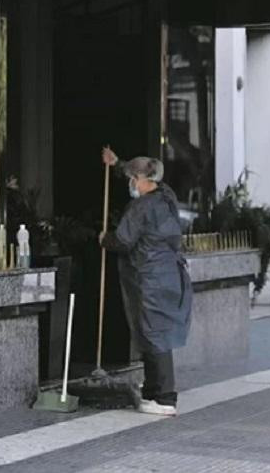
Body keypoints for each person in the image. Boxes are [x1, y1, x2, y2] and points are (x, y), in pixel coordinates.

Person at [100, 147, 193, 417]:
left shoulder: (141, 207)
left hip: (150, 277)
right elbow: (140, 171)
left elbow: (123, 240)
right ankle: (152, 391)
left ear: (141, 181)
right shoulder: (167, 196)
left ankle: (165, 397)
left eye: (132, 179)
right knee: (155, 333)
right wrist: (118, 163)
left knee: (155, 335)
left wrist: (104, 239)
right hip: (169, 276)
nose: (131, 183)